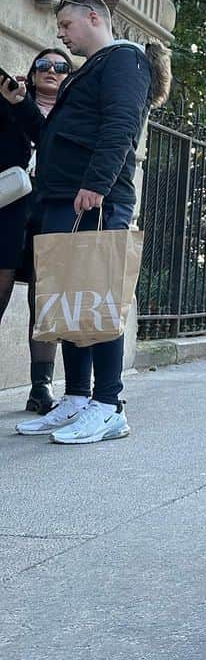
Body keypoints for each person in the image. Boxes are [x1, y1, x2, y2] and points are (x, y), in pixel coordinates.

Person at [6, 0, 170, 442]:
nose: (60, 32)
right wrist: (23, 103)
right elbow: (53, 137)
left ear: (93, 17)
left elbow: (121, 126)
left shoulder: (123, 61)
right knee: (71, 298)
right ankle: (77, 396)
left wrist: (96, 185)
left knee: (97, 297)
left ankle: (108, 403)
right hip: (64, 197)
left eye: (66, 24)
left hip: (93, 198)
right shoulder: (90, 71)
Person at [0, 47, 74, 413]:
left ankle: (40, 387)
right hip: (7, 208)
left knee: (44, 299)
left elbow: (49, 143)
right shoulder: (6, 102)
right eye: (43, 65)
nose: (52, 71)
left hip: (49, 211)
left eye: (61, 67)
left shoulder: (71, 113)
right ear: (30, 73)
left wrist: (22, 106)